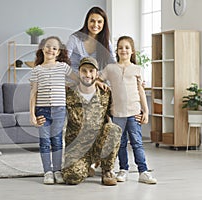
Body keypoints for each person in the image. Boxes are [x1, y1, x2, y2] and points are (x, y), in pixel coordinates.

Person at [99, 36, 157, 184]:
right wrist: (102, 84)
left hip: (134, 113)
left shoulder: (137, 69)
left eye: (126, 47)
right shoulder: (110, 68)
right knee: (121, 144)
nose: (123, 50)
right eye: (120, 47)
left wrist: (146, 111)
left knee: (137, 143)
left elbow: (141, 91)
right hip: (117, 113)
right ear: (116, 51)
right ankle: (123, 169)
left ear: (132, 51)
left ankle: (143, 171)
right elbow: (97, 79)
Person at [59, 57, 121, 186]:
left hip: (98, 144)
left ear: (97, 74)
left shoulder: (105, 93)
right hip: (77, 147)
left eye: (91, 71)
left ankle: (107, 170)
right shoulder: (68, 93)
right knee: (71, 177)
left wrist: (142, 111)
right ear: (79, 73)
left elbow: (118, 109)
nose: (88, 75)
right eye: (84, 71)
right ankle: (86, 166)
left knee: (113, 129)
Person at [29, 36, 79, 185]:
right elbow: (33, 94)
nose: (51, 49)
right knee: (44, 141)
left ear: (58, 53)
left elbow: (77, 80)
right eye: (48, 46)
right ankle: (48, 172)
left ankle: (57, 171)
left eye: (54, 48)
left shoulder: (63, 67)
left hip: (59, 110)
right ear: (42, 49)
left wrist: (66, 86)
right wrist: (32, 115)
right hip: (42, 110)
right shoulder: (36, 70)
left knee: (57, 141)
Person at [66, 6, 116, 72]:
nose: (95, 25)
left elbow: (114, 65)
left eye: (99, 22)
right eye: (92, 21)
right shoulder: (74, 39)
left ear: (104, 24)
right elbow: (64, 61)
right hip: (75, 79)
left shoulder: (106, 42)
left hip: (97, 80)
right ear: (87, 22)